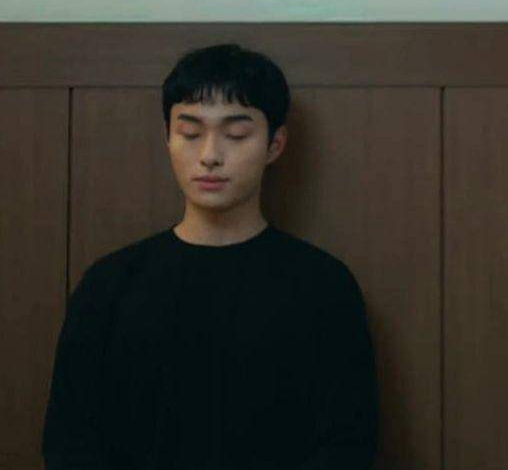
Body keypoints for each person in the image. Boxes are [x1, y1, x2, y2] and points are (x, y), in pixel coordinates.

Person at [43, 44, 378, 469]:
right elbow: (69, 441)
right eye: (190, 133)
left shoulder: (323, 285)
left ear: (275, 144)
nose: (210, 156)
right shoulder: (109, 284)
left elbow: (348, 444)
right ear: (167, 137)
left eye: (236, 135)